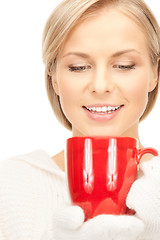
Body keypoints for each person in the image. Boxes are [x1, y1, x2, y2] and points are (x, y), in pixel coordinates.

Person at [0, 0, 160, 239]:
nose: (100, 86)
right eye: (78, 67)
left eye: (124, 65)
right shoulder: (13, 184)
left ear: (154, 74)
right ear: (54, 79)